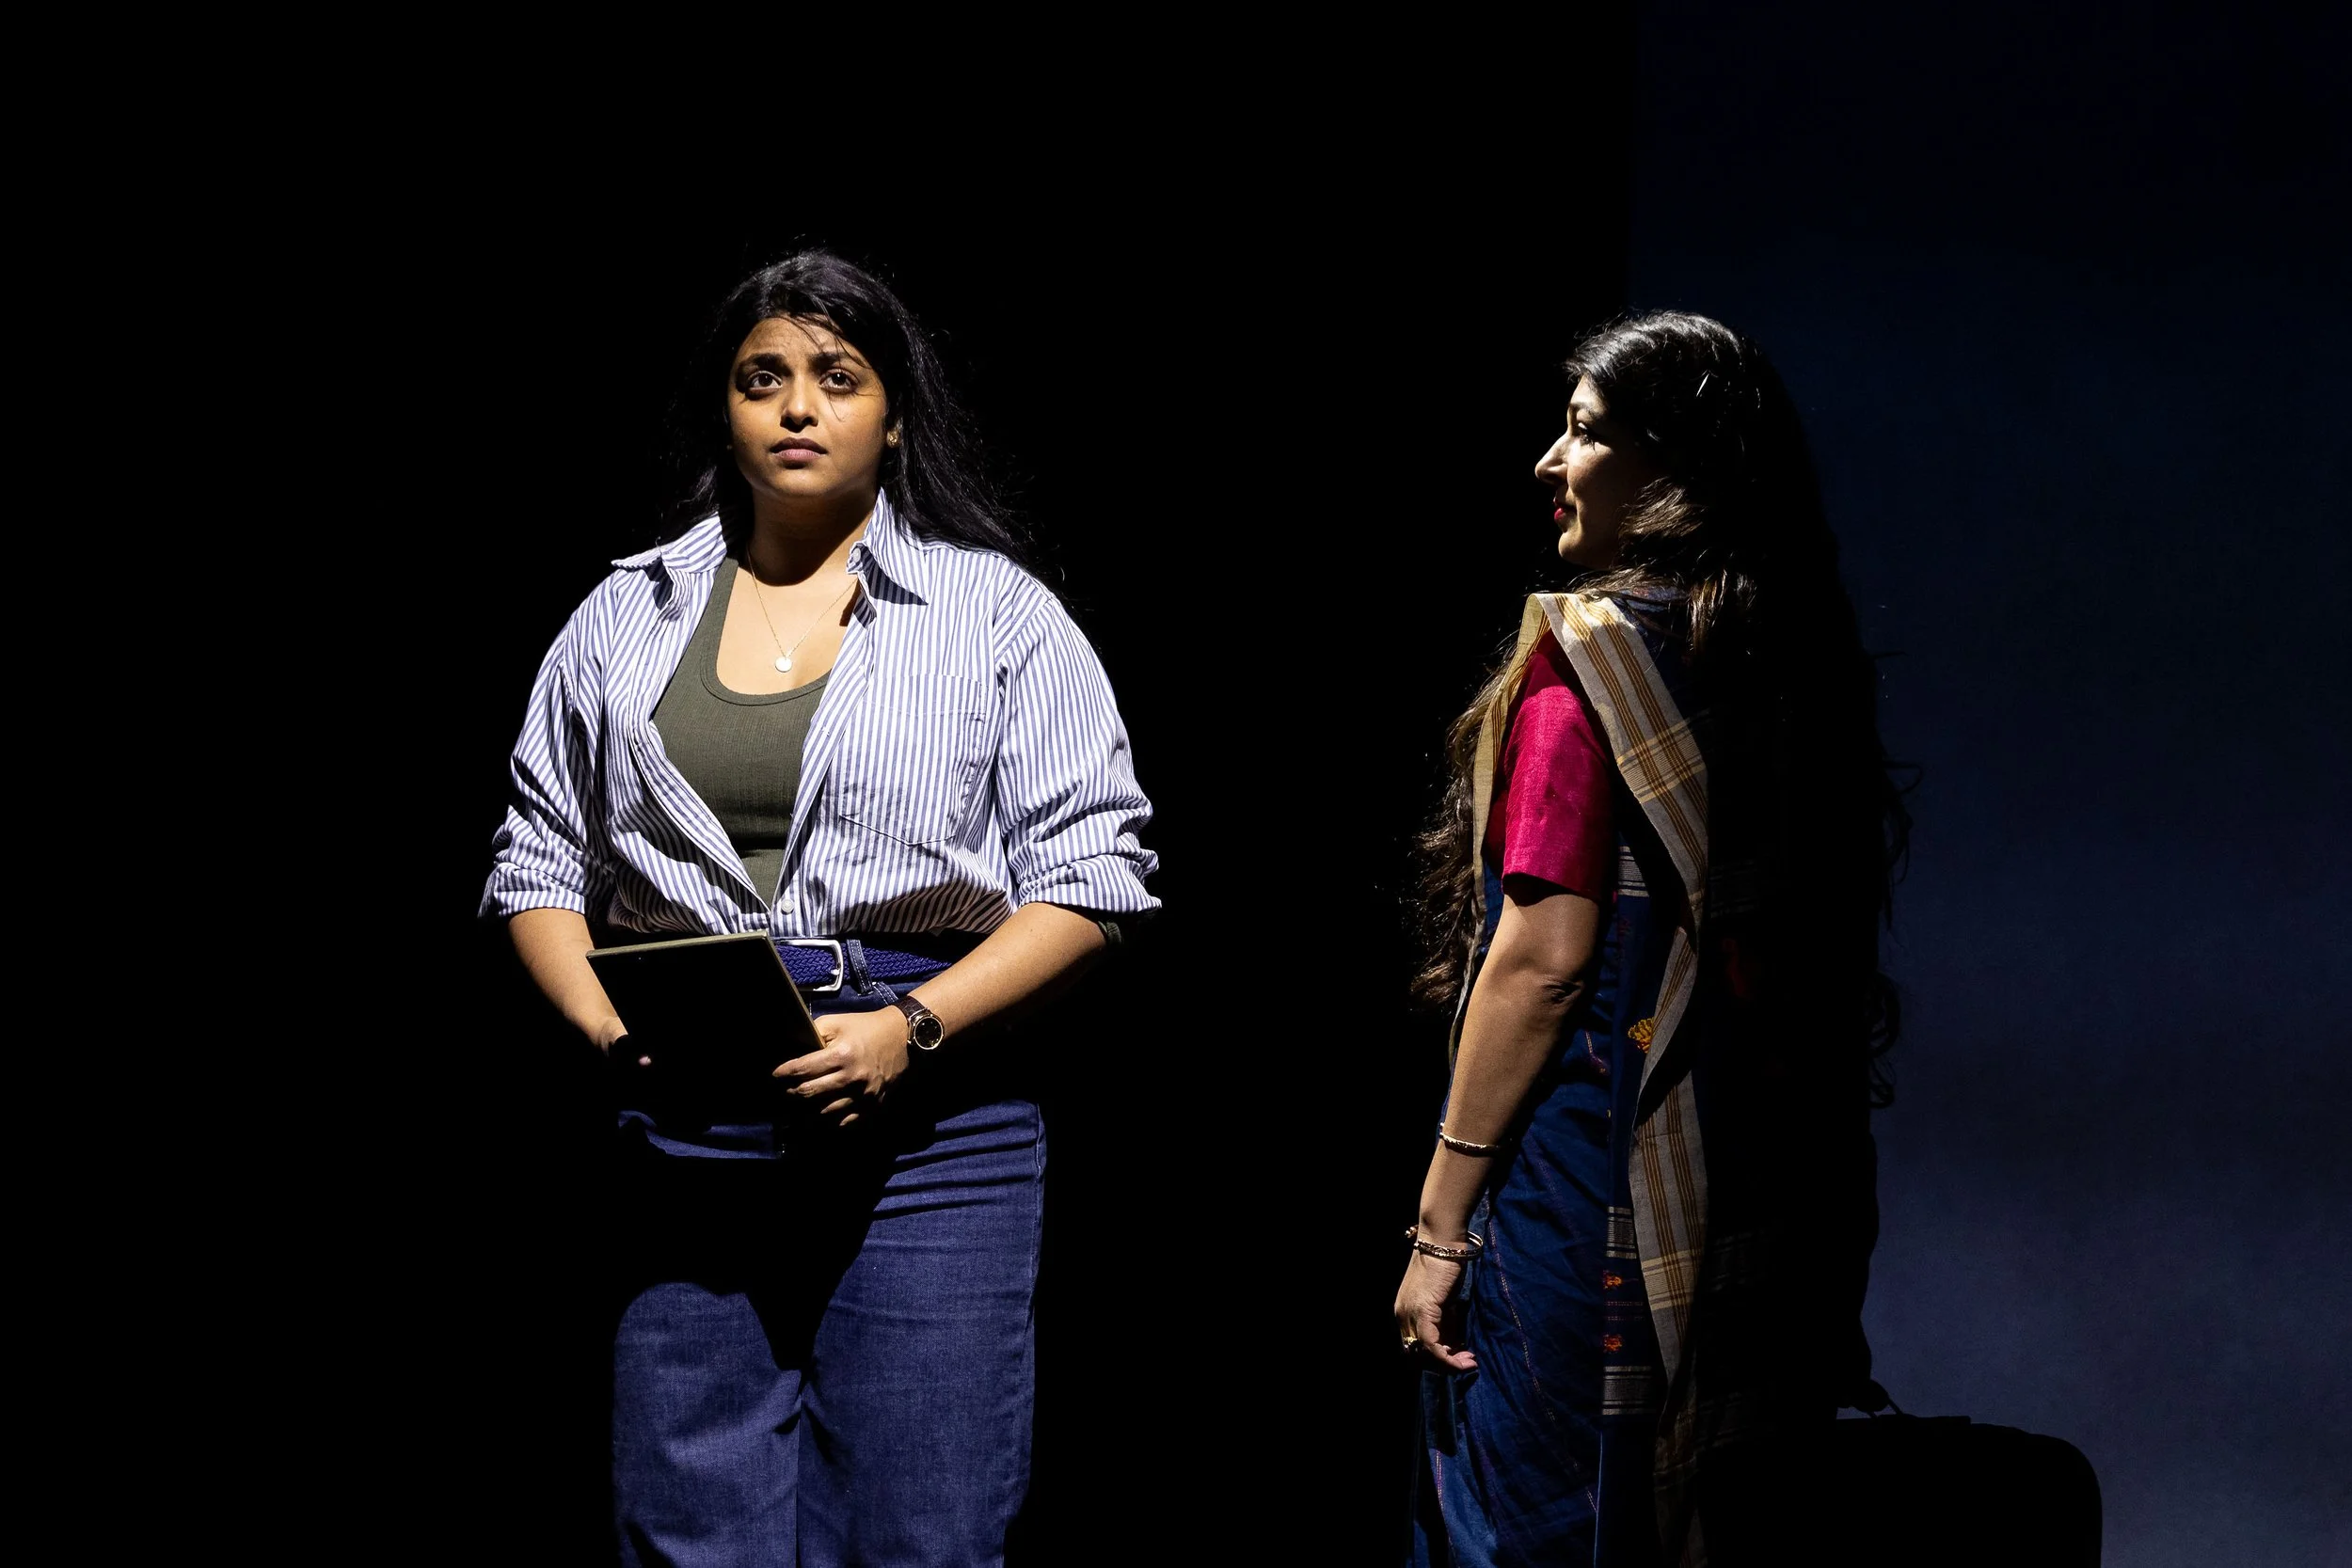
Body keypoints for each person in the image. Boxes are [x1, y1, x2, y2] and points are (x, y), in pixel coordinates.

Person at [482, 250, 1157, 1567]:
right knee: (683, 1526)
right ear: (723, 411)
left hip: (931, 1127)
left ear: (893, 414)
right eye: (764, 378)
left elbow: (1090, 880)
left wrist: (912, 1025)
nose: (798, 406)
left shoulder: (994, 614)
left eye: (837, 379)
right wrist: (610, 1036)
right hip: (685, 1114)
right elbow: (536, 865)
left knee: (921, 1527)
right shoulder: (625, 613)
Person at [1393, 311, 1905, 1567]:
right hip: (1760, 1193)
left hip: (1584, 1185)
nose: (1548, 464)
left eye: (1582, 432)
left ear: (1666, 468)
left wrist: (1439, 1228)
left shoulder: (1588, 672)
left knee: (1536, 1528)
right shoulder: (1789, 669)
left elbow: (1541, 957)